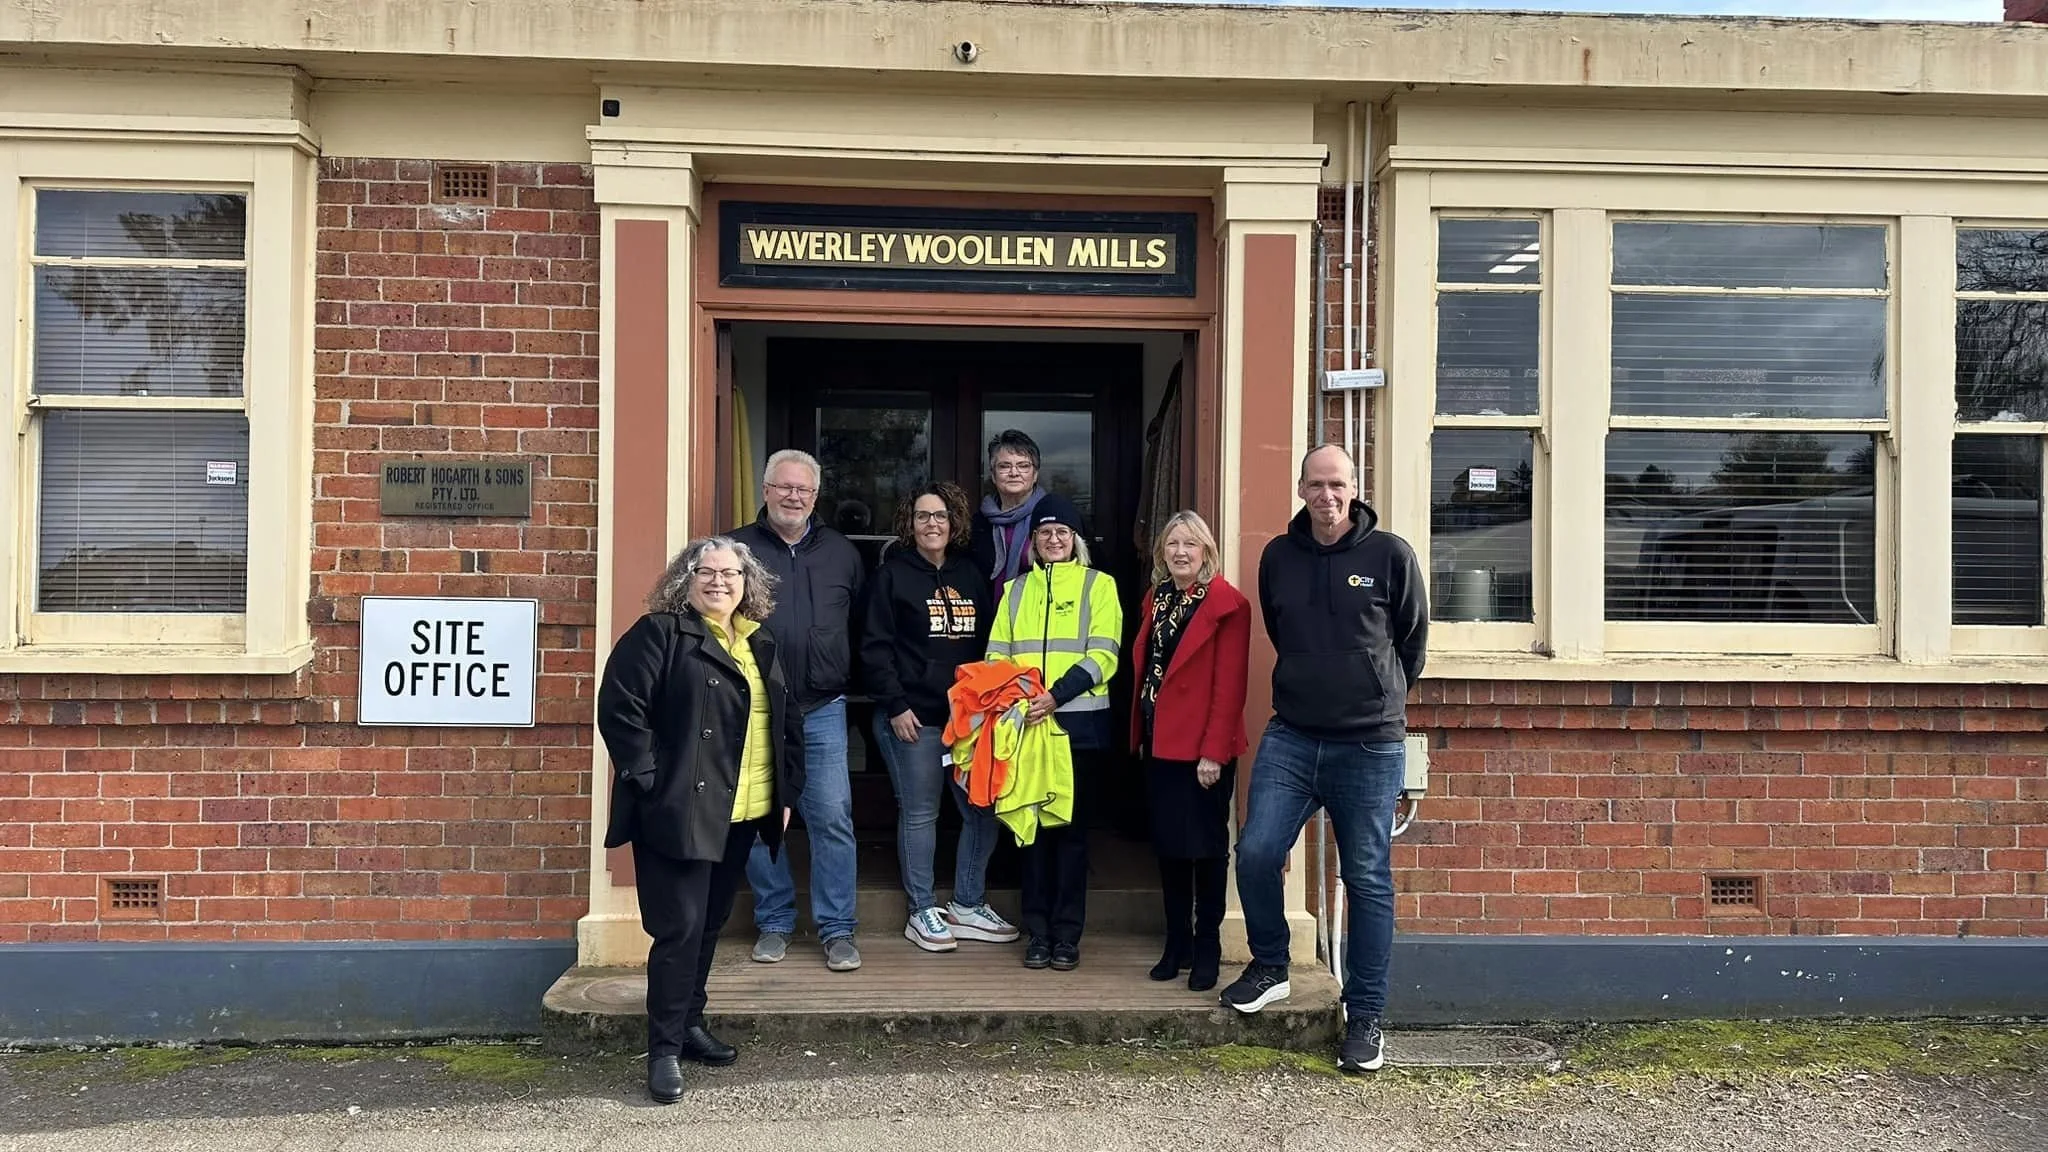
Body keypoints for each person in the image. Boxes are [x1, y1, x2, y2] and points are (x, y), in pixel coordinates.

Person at [1221, 445, 1428, 1076]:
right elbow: (1284, 636)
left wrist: (1373, 696)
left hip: (1369, 743)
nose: (1326, 495)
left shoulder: (1390, 555)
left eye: (1337, 484)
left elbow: (1411, 644)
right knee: (1256, 851)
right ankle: (1271, 965)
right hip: (1293, 735)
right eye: (1315, 484)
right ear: (1302, 488)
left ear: (1354, 487)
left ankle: (1365, 1018)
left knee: (1365, 879)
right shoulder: (1279, 557)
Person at [598, 536, 805, 1105]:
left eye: (731, 573)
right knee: (679, 930)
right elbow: (621, 710)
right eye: (706, 572)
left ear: (748, 582)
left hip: (742, 810)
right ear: (684, 581)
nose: (719, 582)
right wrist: (652, 782)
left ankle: (689, 1025)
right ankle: (662, 1050)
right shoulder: (661, 634)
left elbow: (784, 721)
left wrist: (787, 790)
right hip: (678, 811)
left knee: (710, 923)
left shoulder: (759, 641)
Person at [861, 481, 1021, 952]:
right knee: (920, 814)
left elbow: (988, 646)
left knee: (982, 811)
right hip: (913, 718)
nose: (933, 524)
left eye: (941, 516)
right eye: (923, 516)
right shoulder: (892, 576)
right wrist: (895, 705)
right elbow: (874, 648)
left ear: (954, 523)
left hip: (967, 721)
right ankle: (922, 910)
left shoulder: (970, 574)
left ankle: (968, 905)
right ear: (909, 524)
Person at [729, 449, 866, 972]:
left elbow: (857, 622)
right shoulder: (737, 549)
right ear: (766, 491)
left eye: (803, 490)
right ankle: (776, 921)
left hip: (823, 706)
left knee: (832, 817)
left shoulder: (842, 553)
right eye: (784, 487)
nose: (794, 497)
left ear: (815, 496)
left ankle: (837, 930)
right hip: (757, 706)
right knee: (764, 816)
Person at [984, 493, 1121, 971]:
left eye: (1063, 532)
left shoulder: (1098, 585)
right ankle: (1037, 933)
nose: (1054, 539)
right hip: (1025, 728)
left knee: (1071, 835)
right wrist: (1020, 697)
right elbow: (996, 653)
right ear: (1034, 541)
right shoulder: (1014, 591)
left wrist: (1055, 696)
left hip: (1076, 727)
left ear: (1075, 540)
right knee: (1031, 833)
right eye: (1045, 533)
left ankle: (1067, 936)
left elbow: (1104, 653)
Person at [1129, 511, 1249, 994]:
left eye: (1190, 544)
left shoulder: (1227, 603)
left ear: (1206, 552)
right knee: (1169, 849)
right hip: (1161, 742)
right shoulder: (1156, 600)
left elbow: (1230, 685)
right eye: (1172, 544)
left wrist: (1214, 753)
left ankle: (1208, 947)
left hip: (1203, 749)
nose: (1180, 552)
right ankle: (1175, 942)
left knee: (1206, 851)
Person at [971, 429, 1049, 588]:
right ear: (993, 475)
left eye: (1023, 466)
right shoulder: (978, 524)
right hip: (989, 611)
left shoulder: (1052, 517)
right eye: (1004, 466)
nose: (1014, 473)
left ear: (1035, 475)